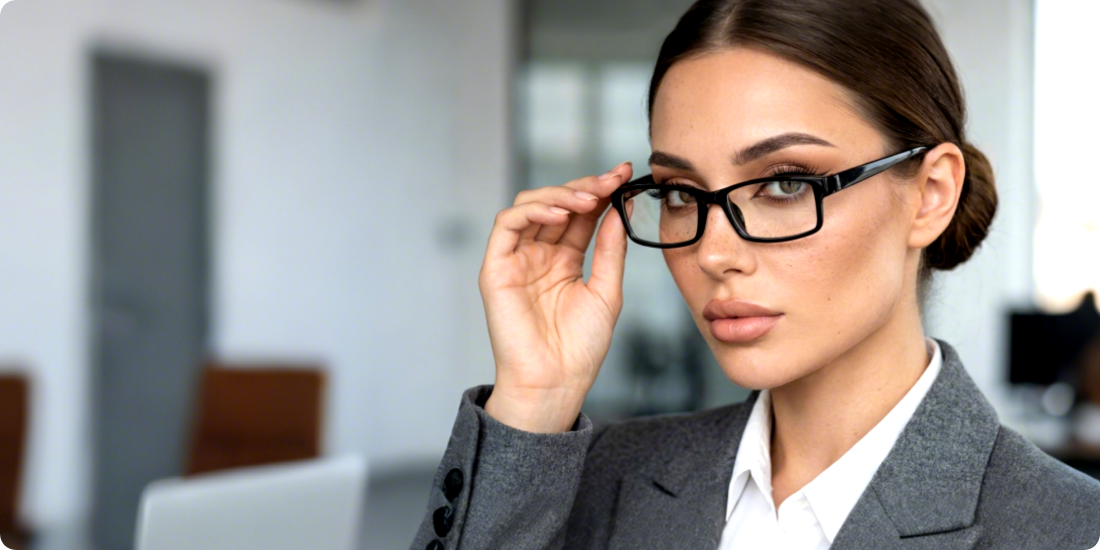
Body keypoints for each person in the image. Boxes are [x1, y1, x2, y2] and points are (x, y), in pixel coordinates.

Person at [410, 0, 1100, 548]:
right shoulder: (593, 477)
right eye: (681, 193)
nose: (714, 252)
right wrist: (533, 400)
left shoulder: (1066, 529)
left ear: (930, 194)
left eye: (784, 184)